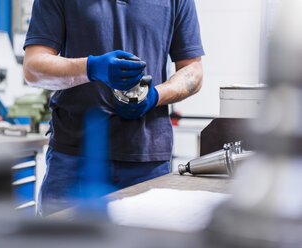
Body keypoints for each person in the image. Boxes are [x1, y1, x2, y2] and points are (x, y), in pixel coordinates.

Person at [23, 0, 204, 216]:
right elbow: (33, 68)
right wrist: (90, 67)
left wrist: (154, 96)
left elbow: (194, 69)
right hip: (74, 158)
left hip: (146, 159)